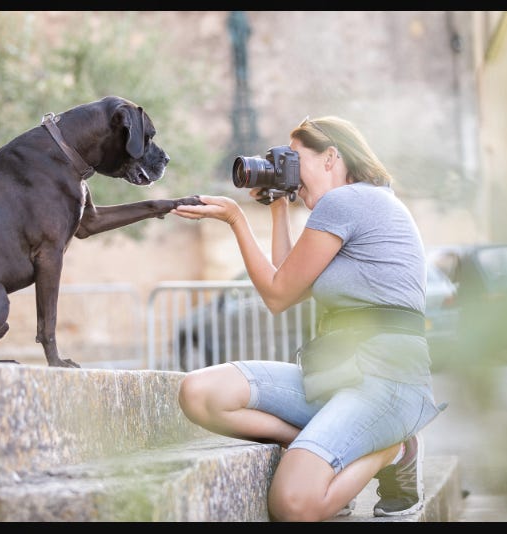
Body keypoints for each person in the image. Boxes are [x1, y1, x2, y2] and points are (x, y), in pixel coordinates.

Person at [171, 115, 444, 521]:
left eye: (296, 162)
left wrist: (235, 219)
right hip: (338, 376)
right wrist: (279, 207)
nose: (292, 174)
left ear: (331, 157)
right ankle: (325, 452)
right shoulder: (360, 203)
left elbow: (277, 295)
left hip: (386, 382)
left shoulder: (347, 201)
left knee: (292, 504)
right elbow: (290, 280)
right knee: (198, 392)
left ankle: (394, 449)